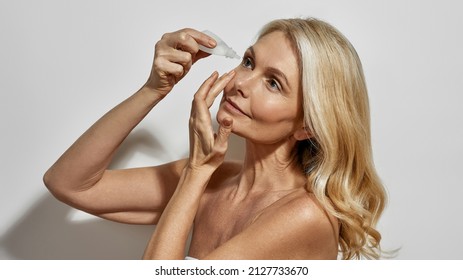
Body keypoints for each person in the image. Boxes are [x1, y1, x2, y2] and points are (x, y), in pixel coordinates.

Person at [43, 17, 387, 260]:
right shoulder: (216, 180)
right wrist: (154, 89)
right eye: (249, 62)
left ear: (306, 126)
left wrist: (196, 172)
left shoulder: (305, 216)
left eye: (273, 83)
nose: (240, 82)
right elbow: (69, 183)